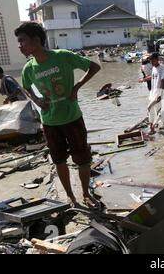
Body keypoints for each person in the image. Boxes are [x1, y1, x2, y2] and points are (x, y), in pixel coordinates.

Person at [15, 22, 101, 209]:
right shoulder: (28, 68)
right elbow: (27, 87)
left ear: (36, 40)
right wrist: (37, 101)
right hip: (50, 123)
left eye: (22, 40)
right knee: (59, 160)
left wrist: (77, 87)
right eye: (18, 41)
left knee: (83, 159)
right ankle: (71, 197)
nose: (19, 45)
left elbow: (94, 67)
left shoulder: (62, 56)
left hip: (72, 118)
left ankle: (86, 194)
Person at [148, 53, 164, 135]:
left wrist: (160, 94)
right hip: (152, 92)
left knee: (151, 108)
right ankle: (159, 125)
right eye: (150, 60)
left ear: (156, 59)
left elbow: (162, 81)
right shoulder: (153, 68)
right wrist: (144, 79)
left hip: (158, 93)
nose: (151, 62)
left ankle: (153, 126)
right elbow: (152, 78)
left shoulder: (162, 68)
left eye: (152, 60)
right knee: (154, 110)